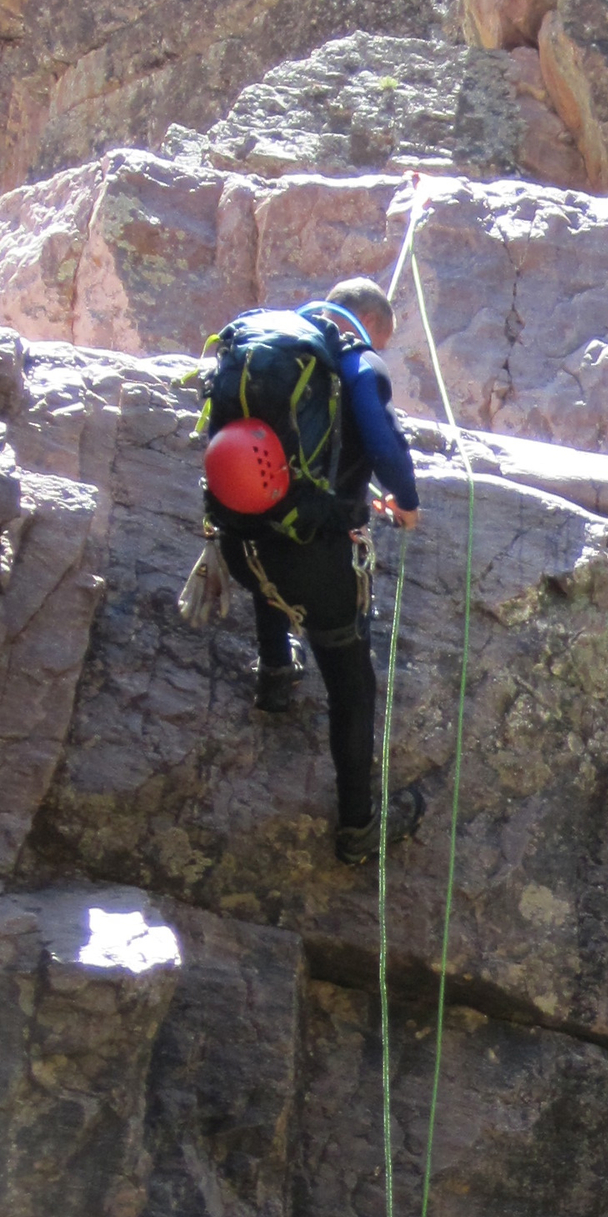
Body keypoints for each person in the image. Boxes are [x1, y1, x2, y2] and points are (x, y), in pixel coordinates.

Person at [206, 274, 428, 868]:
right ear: (371, 324)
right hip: (315, 564)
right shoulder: (357, 365)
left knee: (273, 547)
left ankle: (276, 676)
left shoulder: (257, 344)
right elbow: (384, 447)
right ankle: (359, 828)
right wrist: (404, 500)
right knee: (353, 687)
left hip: (239, 543)